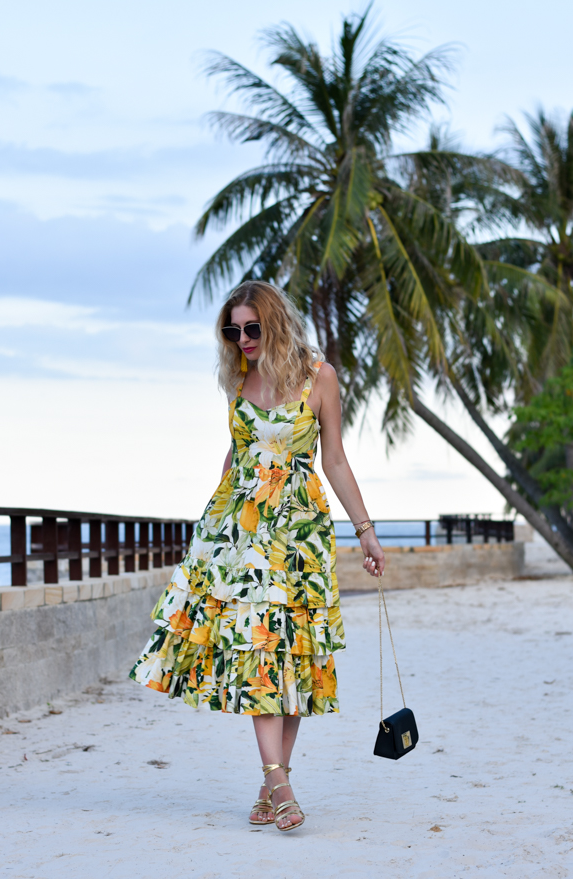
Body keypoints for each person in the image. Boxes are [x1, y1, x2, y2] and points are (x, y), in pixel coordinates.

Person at [129, 281, 385, 832]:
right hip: (240, 538)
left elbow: (335, 461)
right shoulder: (238, 381)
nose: (242, 339)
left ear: (275, 323)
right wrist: (210, 534)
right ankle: (281, 785)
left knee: (292, 654)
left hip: (299, 535)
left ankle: (272, 783)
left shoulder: (319, 378)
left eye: (251, 328)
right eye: (232, 330)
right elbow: (236, 457)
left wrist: (365, 531)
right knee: (258, 652)